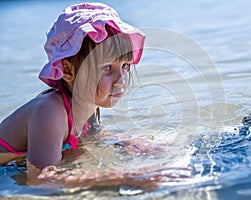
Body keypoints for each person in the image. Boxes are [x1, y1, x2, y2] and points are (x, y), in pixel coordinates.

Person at [0, 2, 146, 171]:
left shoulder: (87, 107)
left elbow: (91, 137)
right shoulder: (49, 113)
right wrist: (132, 178)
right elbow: (41, 181)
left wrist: (128, 143)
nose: (120, 80)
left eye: (125, 66)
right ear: (68, 70)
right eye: (107, 68)